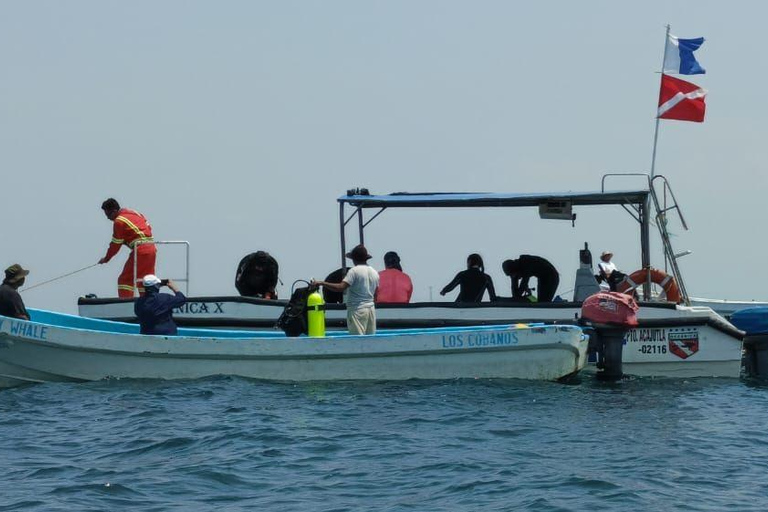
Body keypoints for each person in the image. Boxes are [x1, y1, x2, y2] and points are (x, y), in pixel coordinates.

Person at [312, 244, 379, 335]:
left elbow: (341, 287)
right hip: (371, 309)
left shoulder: (354, 271)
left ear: (354, 259)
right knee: (370, 340)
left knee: (357, 341)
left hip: (357, 310)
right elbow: (376, 293)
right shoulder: (374, 272)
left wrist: (322, 283)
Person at [98, 198, 157, 298]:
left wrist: (106, 259)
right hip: (152, 248)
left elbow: (115, 244)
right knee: (145, 280)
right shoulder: (135, 213)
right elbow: (147, 228)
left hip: (141, 250)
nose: (108, 218)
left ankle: (125, 303)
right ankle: (149, 301)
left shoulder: (119, 221)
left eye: (108, 215)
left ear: (114, 211)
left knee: (125, 280)